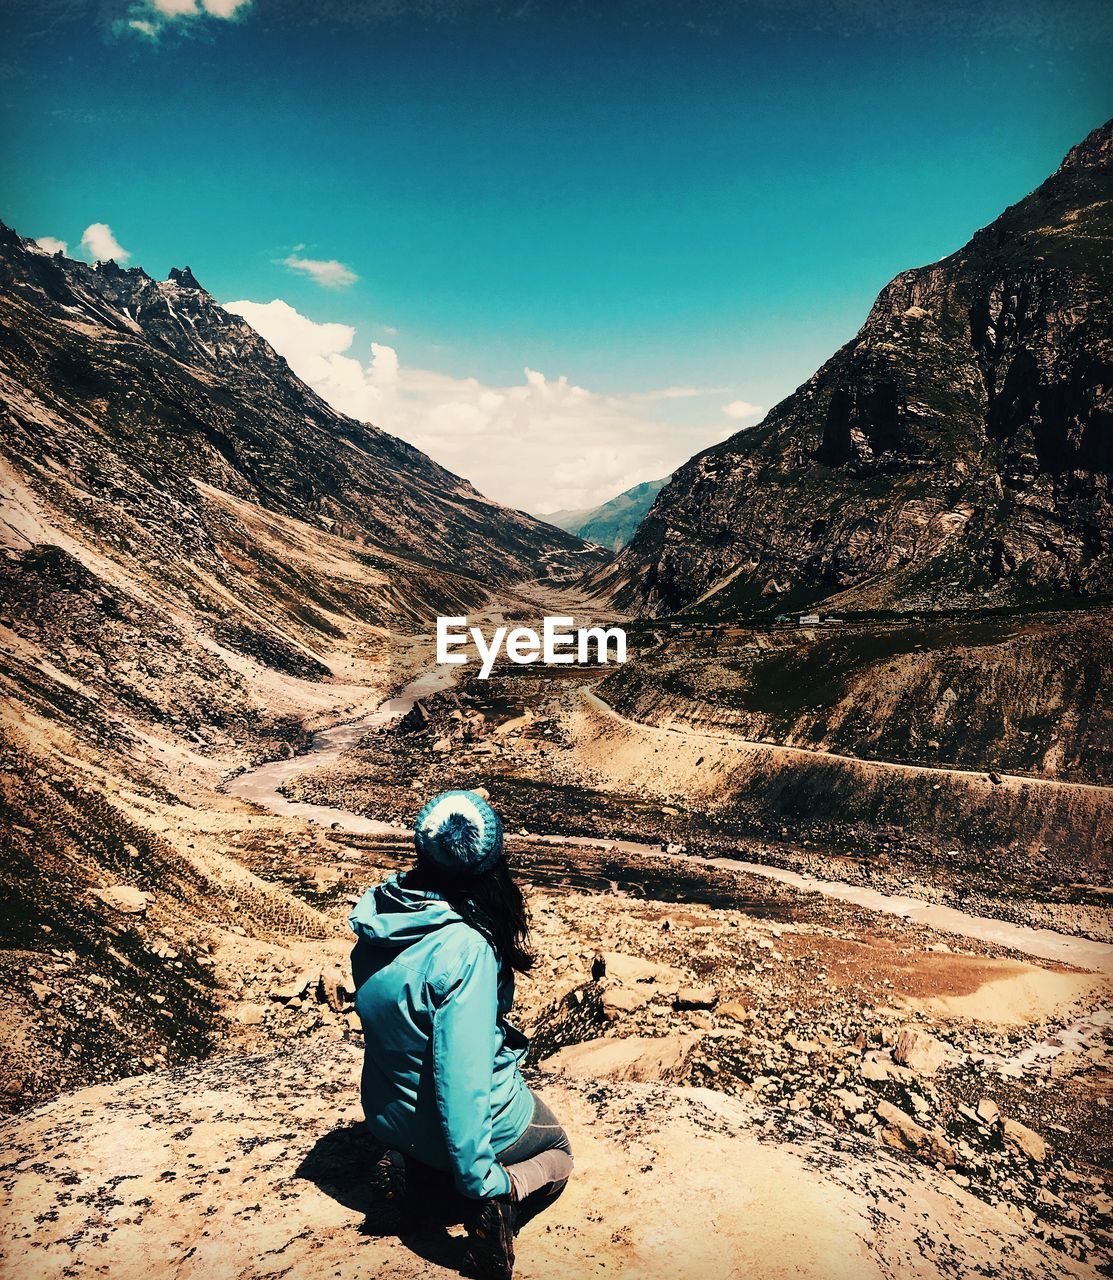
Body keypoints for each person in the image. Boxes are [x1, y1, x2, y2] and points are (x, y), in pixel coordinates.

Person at [349, 789, 574, 1280]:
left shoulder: (379, 918)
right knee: (558, 1154)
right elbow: (461, 1077)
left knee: (438, 1148)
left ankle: (418, 1183)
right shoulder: (465, 948)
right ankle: (494, 1201)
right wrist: (480, 1178)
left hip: (392, 1119)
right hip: (461, 1128)